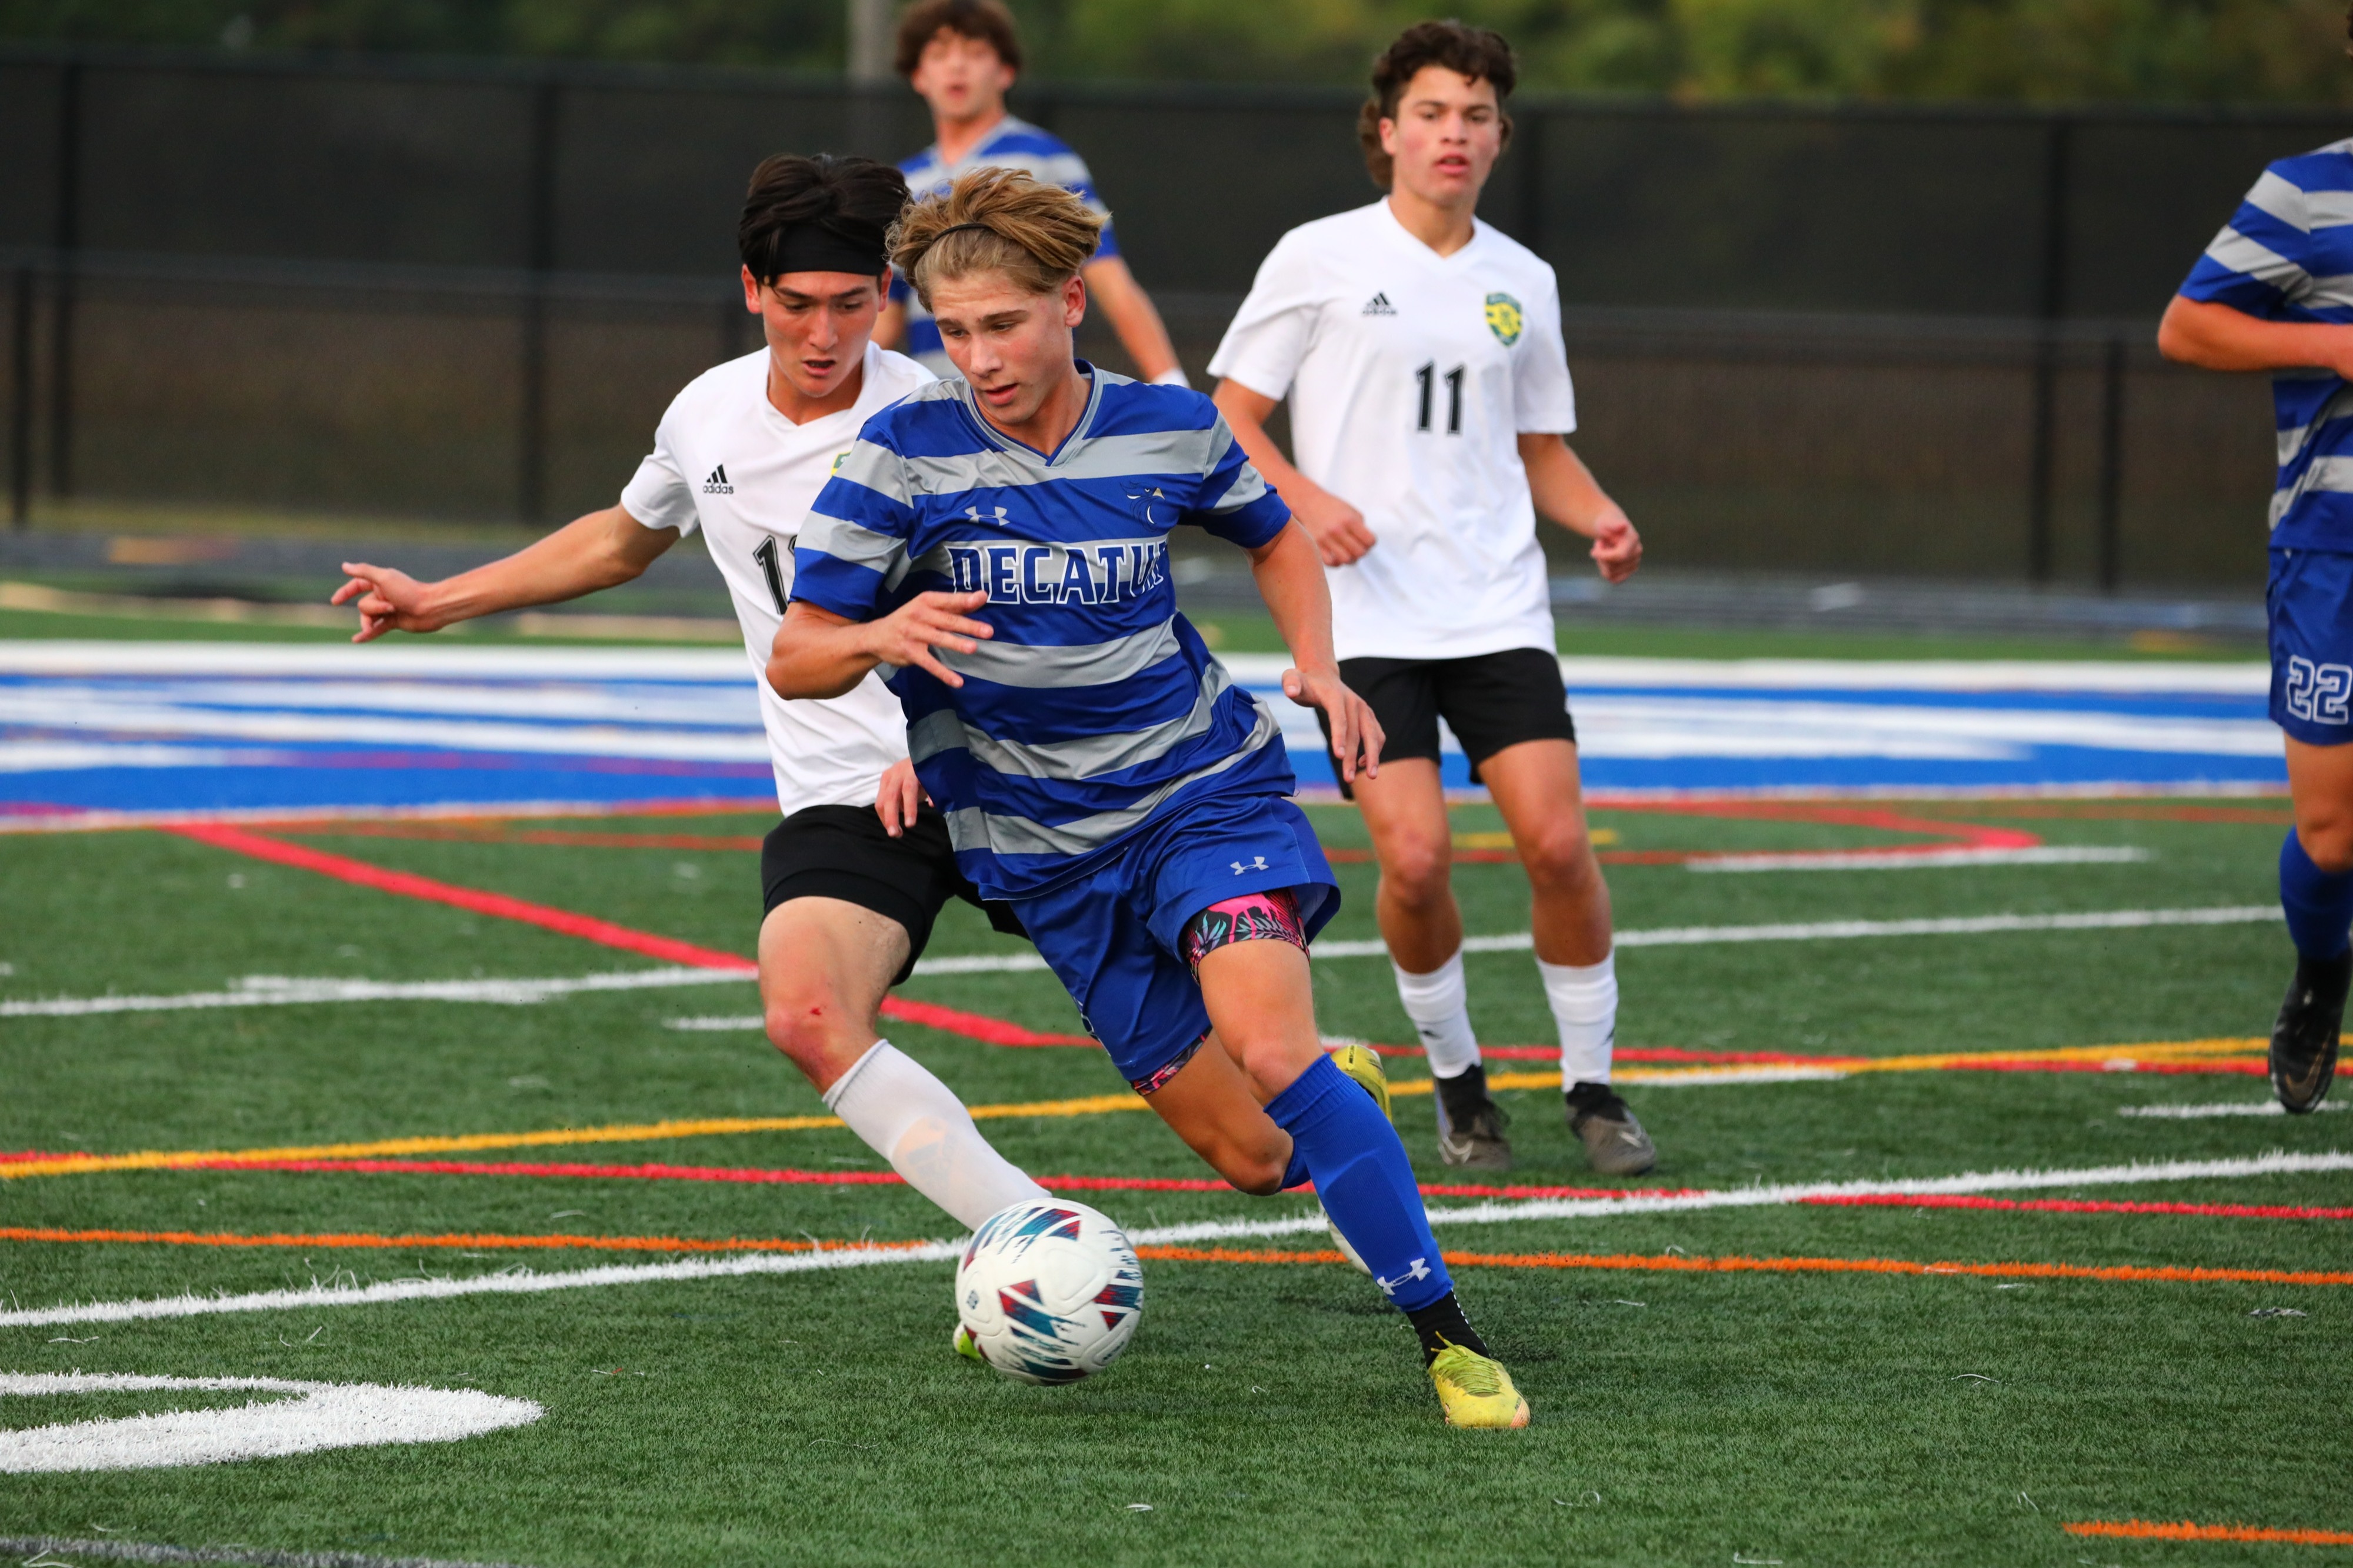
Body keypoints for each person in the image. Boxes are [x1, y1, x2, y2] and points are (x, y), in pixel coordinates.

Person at [769, 166, 1532, 1428]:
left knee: (1273, 1047)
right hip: (1046, 855)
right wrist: (882, 628)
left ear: (1072, 301)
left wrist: (1319, 668)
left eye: (1004, 324)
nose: (980, 357)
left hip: (1200, 796)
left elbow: (1276, 532)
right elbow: (797, 654)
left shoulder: (1169, 426)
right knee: (1250, 1158)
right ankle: (1331, 1090)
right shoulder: (899, 453)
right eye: (953, 333)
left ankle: (1447, 1338)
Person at [329, 154, 1065, 1256]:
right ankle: (1028, 1237)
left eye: (852, 306)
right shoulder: (707, 413)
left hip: (999, 772)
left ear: (887, 300)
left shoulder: (944, 411)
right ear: (751, 289)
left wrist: (949, 737)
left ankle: (1306, 1087)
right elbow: (627, 538)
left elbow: (1039, 586)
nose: (824, 335)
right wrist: (443, 599)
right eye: (797, 306)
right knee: (807, 1012)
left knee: (1245, 1143)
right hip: (847, 796)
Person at [1206, 21, 1651, 1176]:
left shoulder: (1522, 279)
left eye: (1475, 115)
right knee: (1411, 862)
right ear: (1387, 130)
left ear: (1499, 137)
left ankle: (1592, 1087)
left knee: (1556, 844)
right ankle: (1459, 1085)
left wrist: (1597, 514)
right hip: (1360, 624)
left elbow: (1540, 446)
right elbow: (1229, 418)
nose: (1453, 133)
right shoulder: (1317, 256)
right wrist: (1304, 500)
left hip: (1498, 608)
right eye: (1432, 112)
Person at [2157, 91, 2353, 1113]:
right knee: (2332, 834)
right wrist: (2331, 346)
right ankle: (2322, 973)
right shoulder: (2310, 190)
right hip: (2335, 548)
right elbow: (2187, 326)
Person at [874, 0, 1185, 388]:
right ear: (918, 75)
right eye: (939, 54)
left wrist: (1172, 385)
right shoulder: (906, 180)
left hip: (1031, 398)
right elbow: (887, 313)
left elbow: (1111, 280)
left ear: (1006, 71)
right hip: (944, 406)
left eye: (975, 52)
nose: (956, 65)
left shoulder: (1046, 159)